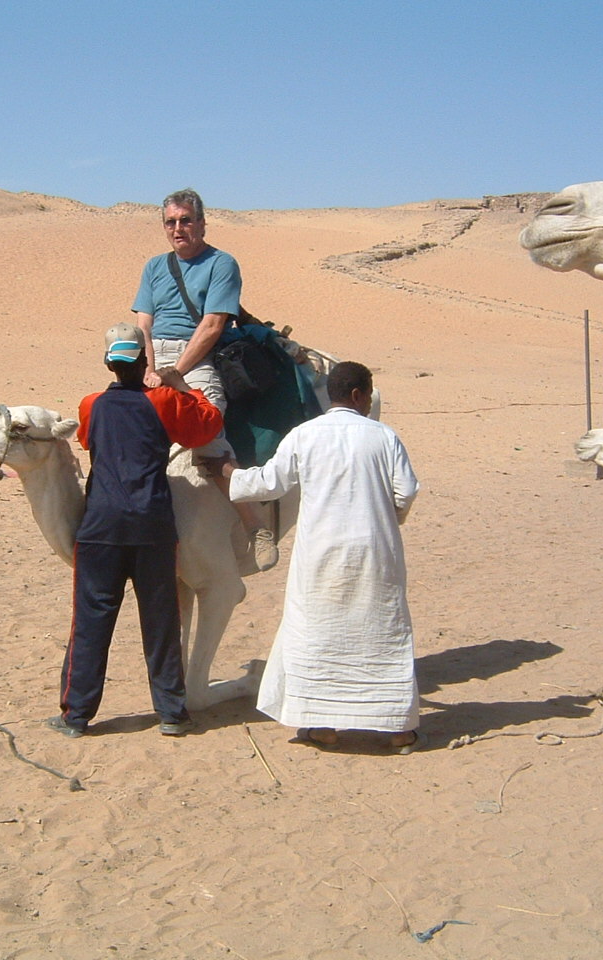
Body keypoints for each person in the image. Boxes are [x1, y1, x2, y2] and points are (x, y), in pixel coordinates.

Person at [221, 361, 424, 753]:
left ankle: (323, 724)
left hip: (320, 554)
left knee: (319, 632)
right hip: (375, 552)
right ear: (358, 396)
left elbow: (270, 482)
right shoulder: (384, 436)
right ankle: (398, 730)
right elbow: (407, 490)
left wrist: (229, 472)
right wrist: (388, 515)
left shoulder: (305, 434)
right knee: (381, 632)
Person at [47, 322, 224, 739]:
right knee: (161, 622)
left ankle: (76, 717)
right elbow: (208, 425)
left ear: (108, 363)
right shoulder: (164, 401)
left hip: (100, 528)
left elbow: (88, 442)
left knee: (90, 623)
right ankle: (171, 714)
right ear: (144, 361)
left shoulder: (90, 405)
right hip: (152, 526)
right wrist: (184, 386)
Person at [132, 188, 278, 572]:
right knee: (115, 420)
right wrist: (148, 368)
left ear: (201, 224)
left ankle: (255, 526)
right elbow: (143, 324)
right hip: (152, 356)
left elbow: (212, 325)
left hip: (195, 357)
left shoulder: (221, 264)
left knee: (206, 428)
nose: (178, 228)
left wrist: (176, 373)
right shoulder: (154, 267)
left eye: (186, 220)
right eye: (170, 222)